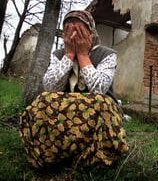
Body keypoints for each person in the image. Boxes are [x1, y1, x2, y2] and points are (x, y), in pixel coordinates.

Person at [19, 10, 128, 169]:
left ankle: (98, 158)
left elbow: (99, 89)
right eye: (69, 31)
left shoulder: (107, 54)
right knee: (42, 101)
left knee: (101, 102)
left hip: (97, 112)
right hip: (66, 112)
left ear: (90, 32)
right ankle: (50, 154)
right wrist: (69, 55)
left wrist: (83, 55)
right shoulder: (58, 54)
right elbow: (50, 87)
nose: (74, 36)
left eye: (80, 31)